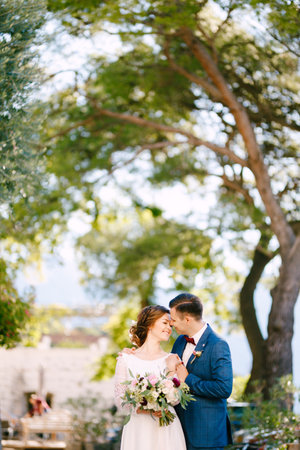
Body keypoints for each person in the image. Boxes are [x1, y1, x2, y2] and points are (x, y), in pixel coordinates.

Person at [166, 293, 233, 450]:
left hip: (206, 434)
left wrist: (188, 379)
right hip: (178, 430)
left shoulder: (218, 345)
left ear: (187, 319)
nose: (171, 324)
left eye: (174, 320)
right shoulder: (180, 341)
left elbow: (224, 388)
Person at [114, 305, 187, 450]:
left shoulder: (172, 359)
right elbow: (120, 400)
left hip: (166, 429)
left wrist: (172, 371)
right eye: (165, 323)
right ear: (149, 324)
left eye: (170, 325)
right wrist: (146, 409)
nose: (169, 328)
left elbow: (177, 399)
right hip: (139, 429)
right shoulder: (126, 359)